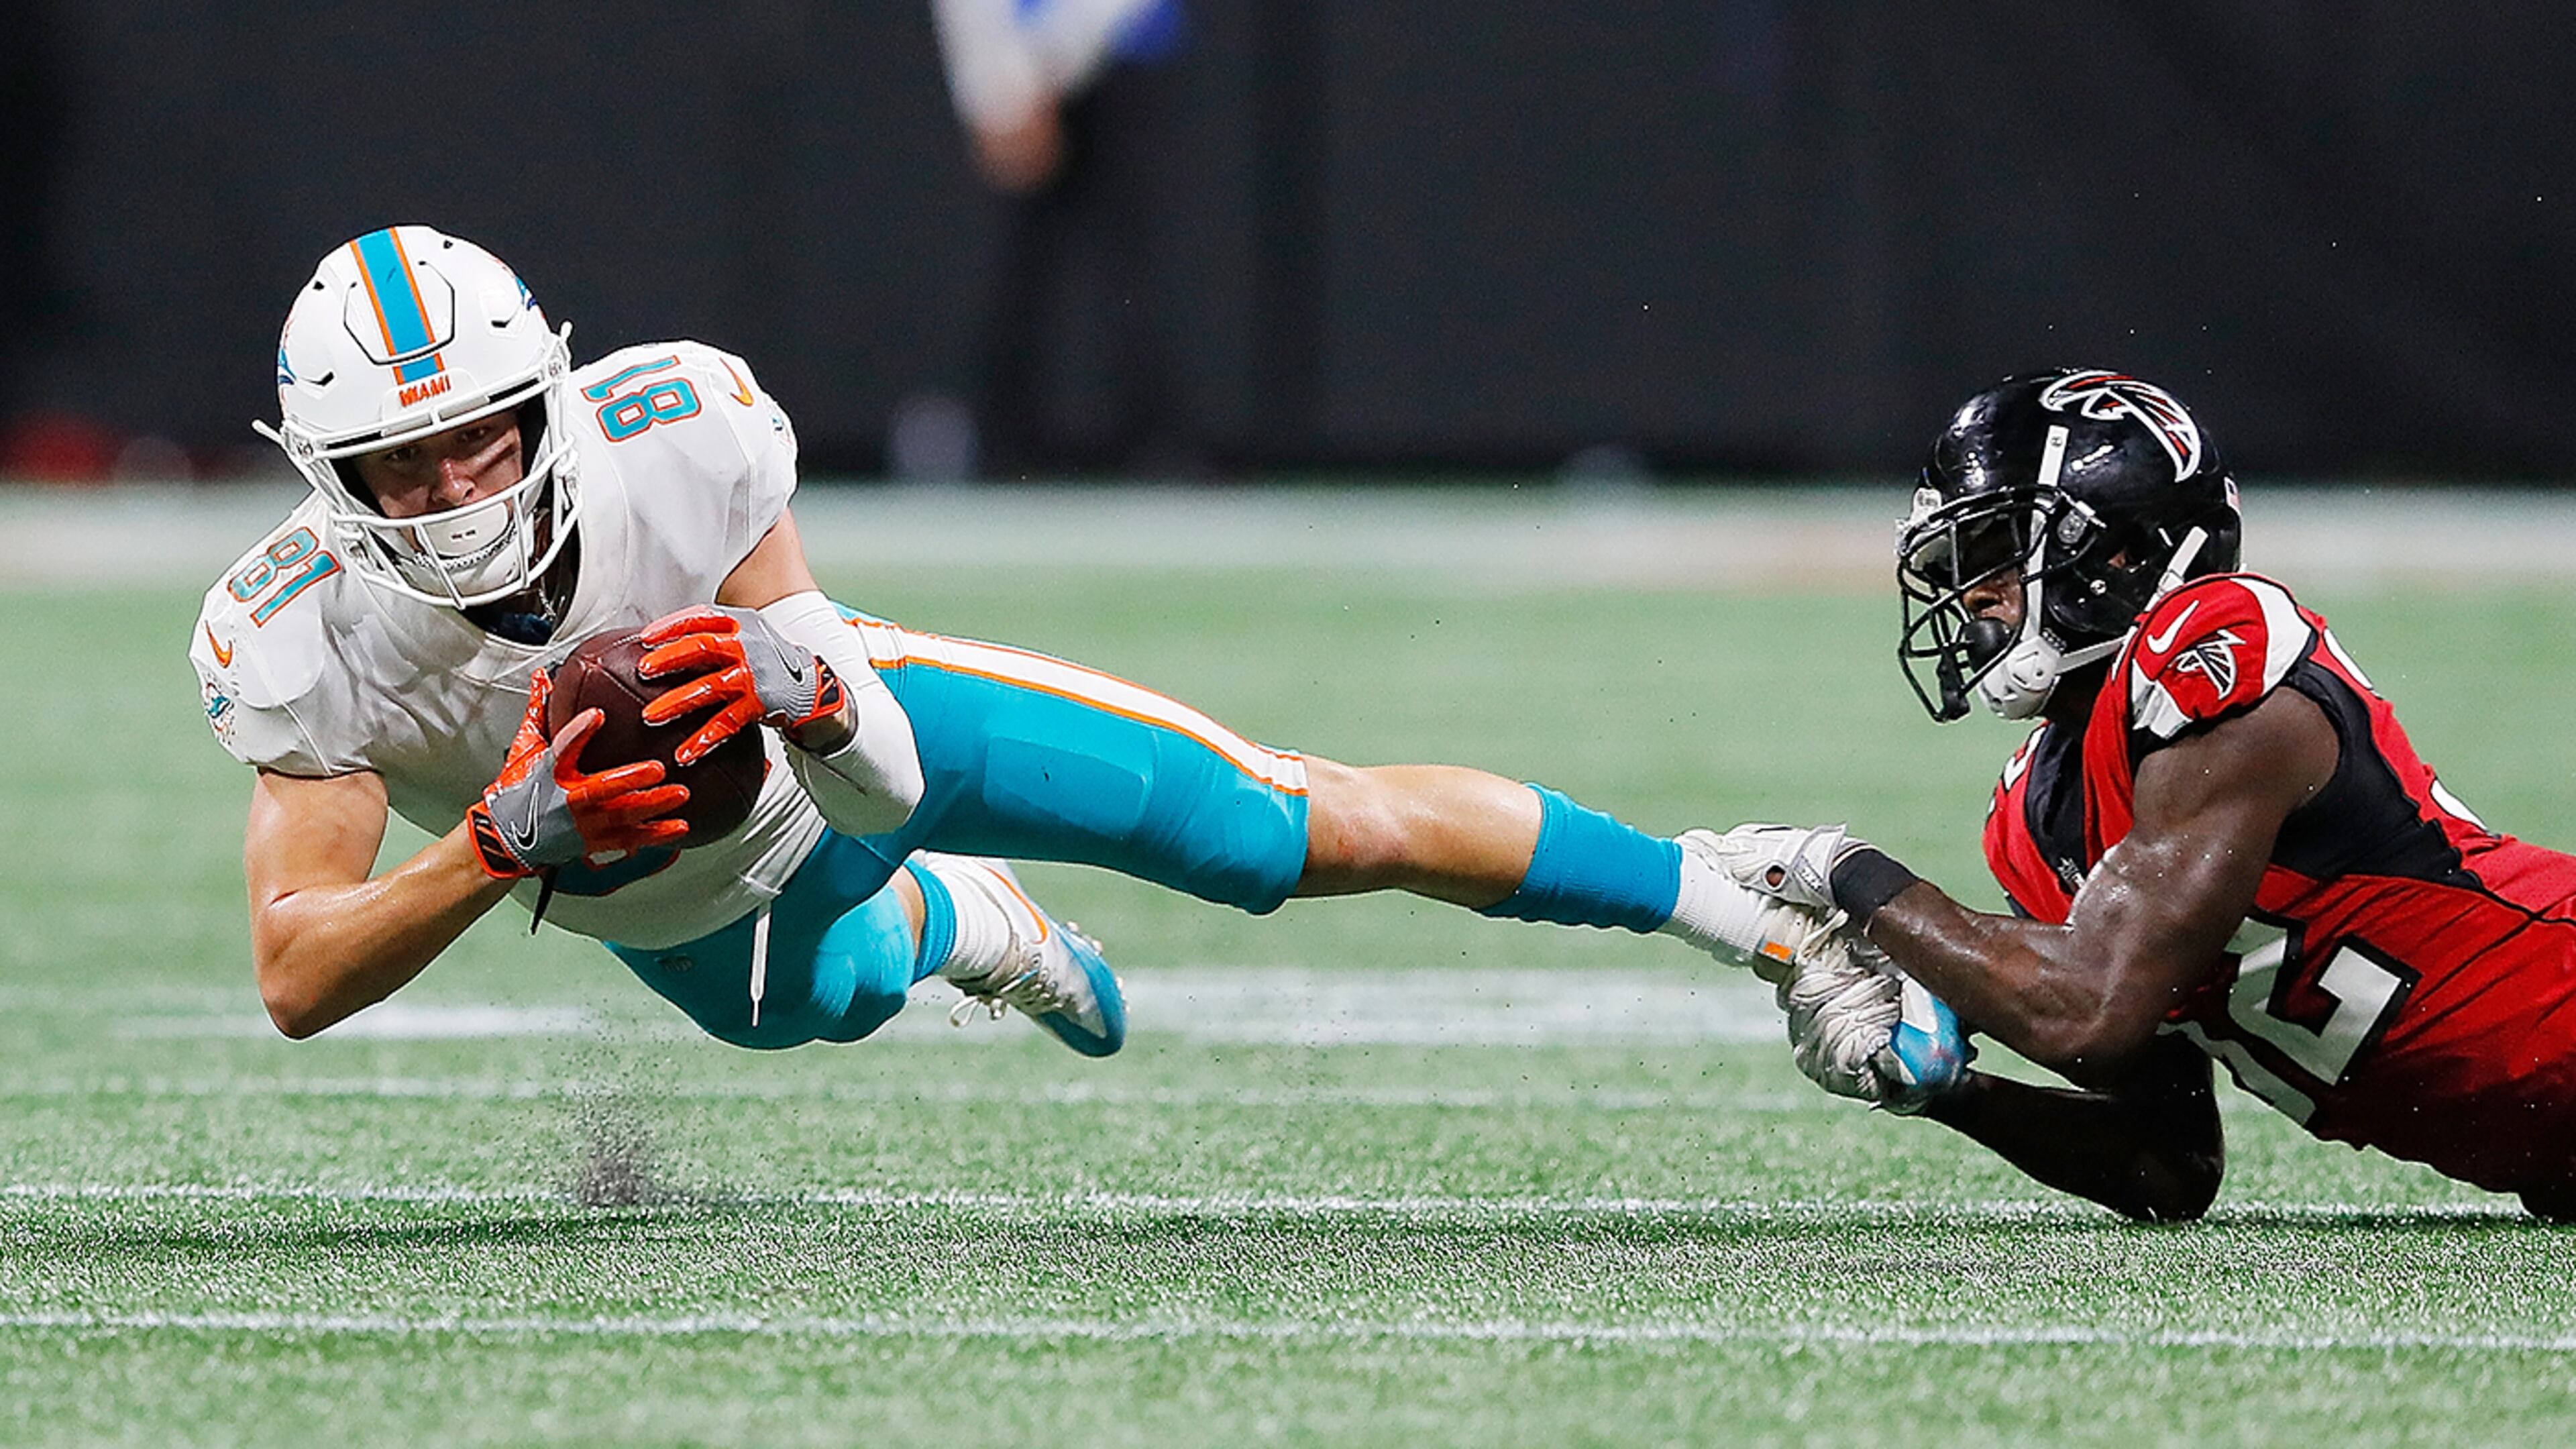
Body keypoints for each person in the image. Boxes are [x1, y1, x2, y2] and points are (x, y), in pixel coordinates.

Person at [191, 225, 1943, 1073]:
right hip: (657, 891)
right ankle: (972, 922)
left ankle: (1745, 911)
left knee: (1280, 831)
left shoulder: (682, 429)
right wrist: (502, 844)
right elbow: (296, 973)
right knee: (831, 1005)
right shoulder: (297, 633)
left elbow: (857, 750)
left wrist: (806, 696)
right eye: (401, 465)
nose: (453, 487)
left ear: (548, 399)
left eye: (482, 435)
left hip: (845, 729)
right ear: (323, 477)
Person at [1711, 368, 2576, 1222]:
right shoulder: (2037, 814)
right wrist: (1947, 1093)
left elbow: (2090, 1010)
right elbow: (2165, 1163)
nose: (1971, 594)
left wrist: (1845, 874)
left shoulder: (2218, 646)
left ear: (2120, 552)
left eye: (1996, 554)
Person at [930, 0, 1194, 473]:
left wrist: (1038, 72)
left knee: (1134, 266)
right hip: (1020, 68)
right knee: (1020, 267)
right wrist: (1000, 93)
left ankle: (1157, 447)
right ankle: (1000, 446)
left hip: (1116, 54)